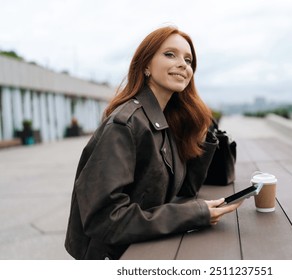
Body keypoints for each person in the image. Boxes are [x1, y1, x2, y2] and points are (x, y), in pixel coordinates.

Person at [64, 26, 242, 260]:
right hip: (113, 256)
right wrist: (194, 214)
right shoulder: (125, 125)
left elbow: (186, 188)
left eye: (188, 60)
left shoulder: (165, 119)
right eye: (170, 54)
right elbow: (105, 219)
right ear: (146, 65)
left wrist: (200, 128)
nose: (183, 64)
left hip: (143, 247)